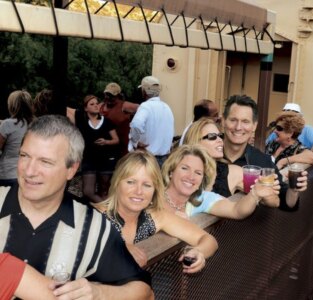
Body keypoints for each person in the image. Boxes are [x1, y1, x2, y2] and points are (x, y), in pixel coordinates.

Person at [0, 115, 153, 299]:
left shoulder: (94, 226)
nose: (29, 171)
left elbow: (145, 292)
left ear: (72, 169)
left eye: (45, 162)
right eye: (24, 156)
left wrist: (99, 293)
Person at [96, 150, 218, 273]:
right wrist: (121, 246)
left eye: (147, 185)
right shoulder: (95, 215)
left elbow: (208, 240)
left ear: (155, 189)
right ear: (117, 183)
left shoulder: (156, 216)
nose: (139, 191)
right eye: (131, 182)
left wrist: (199, 251)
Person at [221, 95, 308, 210]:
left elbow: (286, 204)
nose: (238, 127)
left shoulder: (263, 161)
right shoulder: (206, 154)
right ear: (223, 121)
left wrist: (293, 190)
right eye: (233, 120)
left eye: (245, 122)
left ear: (254, 126)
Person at [162, 144, 281, 219]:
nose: (191, 176)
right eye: (184, 168)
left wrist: (254, 193)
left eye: (198, 173)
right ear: (171, 170)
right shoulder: (153, 196)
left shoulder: (201, 199)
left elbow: (237, 211)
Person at [77, 95, 120, 203]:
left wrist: (106, 142)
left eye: (97, 103)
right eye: (92, 104)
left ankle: (103, 215)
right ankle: (106, 210)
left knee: (104, 190)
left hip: (105, 160)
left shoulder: (107, 122)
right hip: (89, 160)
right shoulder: (81, 122)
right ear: (86, 108)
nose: (96, 106)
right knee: (88, 191)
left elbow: (116, 140)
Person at [129, 76, 174, 167]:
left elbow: (135, 125)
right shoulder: (166, 107)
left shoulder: (145, 106)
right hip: (165, 159)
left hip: (148, 159)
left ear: (144, 91)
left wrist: (135, 142)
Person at [0, 90, 34, 186]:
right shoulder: (35, 125)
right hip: (27, 174)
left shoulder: (7, 124)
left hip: (7, 174)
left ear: (12, 106)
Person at [100, 82, 138, 157]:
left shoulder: (125, 105)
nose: (108, 97)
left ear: (118, 95)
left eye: (111, 96)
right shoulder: (100, 106)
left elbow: (144, 109)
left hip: (122, 150)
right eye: (107, 94)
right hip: (104, 149)